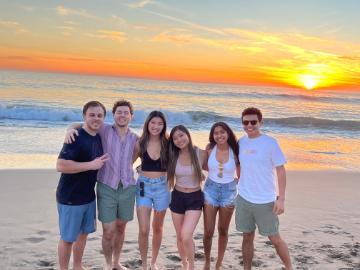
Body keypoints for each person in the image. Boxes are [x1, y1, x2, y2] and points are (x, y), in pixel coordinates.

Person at [65, 100, 138, 270]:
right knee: (108, 230)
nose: (122, 115)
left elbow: (148, 149)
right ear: (114, 115)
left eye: (126, 112)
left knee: (121, 228)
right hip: (106, 186)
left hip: (127, 187)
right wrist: (70, 129)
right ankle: (107, 264)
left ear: (131, 116)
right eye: (119, 112)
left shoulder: (135, 138)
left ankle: (116, 262)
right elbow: (82, 123)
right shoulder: (104, 129)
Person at [235, 107, 292, 270]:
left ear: (260, 122)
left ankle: (289, 267)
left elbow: (281, 170)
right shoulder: (241, 142)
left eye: (253, 122)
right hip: (244, 198)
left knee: (274, 238)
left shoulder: (270, 143)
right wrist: (239, 181)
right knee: (247, 237)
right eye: (245, 122)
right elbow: (238, 164)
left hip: (265, 200)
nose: (249, 125)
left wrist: (281, 199)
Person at [56, 101, 109, 270]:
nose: (96, 118)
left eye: (99, 115)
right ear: (84, 116)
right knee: (68, 238)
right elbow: (61, 165)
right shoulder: (76, 136)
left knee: (83, 234)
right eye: (92, 115)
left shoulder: (99, 135)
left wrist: (71, 125)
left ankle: (77, 266)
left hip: (88, 196)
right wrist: (90, 165)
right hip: (70, 197)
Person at [133, 111, 170, 270]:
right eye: (153, 123)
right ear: (147, 123)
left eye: (159, 124)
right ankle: (144, 263)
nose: (156, 126)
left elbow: (186, 151)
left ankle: (153, 262)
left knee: (157, 227)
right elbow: (128, 162)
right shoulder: (140, 143)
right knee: (143, 228)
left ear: (164, 126)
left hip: (163, 187)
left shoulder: (169, 143)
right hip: (143, 187)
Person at [167, 125, 207, 270]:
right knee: (179, 236)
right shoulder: (172, 155)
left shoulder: (201, 153)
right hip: (177, 197)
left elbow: (216, 166)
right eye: (175, 138)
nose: (179, 140)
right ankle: (184, 264)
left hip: (195, 198)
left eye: (181, 135)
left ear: (188, 135)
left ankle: (192, 266)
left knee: (186, 235)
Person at [203, 122, 240, 270]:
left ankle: (218, 263)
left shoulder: (235, 150)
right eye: (216, 133)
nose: (219, 135)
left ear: (228, 133)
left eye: (222, 132)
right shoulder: (210, 148)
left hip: (229, 192)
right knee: (208, 231)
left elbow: (241, 172)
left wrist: (236, 183)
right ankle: (207, 261)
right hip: (210, 190)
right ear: (213, 136)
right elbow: (204, 165)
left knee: (223, 230)